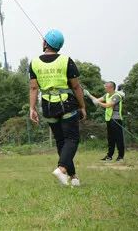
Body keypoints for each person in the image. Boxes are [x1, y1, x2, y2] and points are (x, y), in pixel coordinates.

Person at [28, 29, 87, 187]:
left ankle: (73, 177)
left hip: (47, 106)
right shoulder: (66, 60)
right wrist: (82, 106)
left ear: (46, 43)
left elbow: (34, 88)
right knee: (72, 139)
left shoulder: (34, 62)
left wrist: (32, 108)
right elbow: (76, 87)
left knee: (62, 141)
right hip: (66, 104)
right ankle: (61, 169)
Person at [87, 82, 125, 162]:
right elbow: (96, 101)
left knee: (118, 139)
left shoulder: (117, 96)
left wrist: (98, 103)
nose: (105, 88)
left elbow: (108, 105)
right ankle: (109, 156)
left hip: (116, 119)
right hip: (109, 119)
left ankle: (120, 157)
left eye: (106, 87)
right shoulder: (106, 95)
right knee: (110, 139)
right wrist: (88, 94)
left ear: (111, 88)